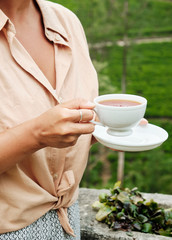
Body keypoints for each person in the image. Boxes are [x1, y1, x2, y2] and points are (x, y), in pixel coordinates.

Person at [0, 0, 98, 239]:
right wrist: (36, 134)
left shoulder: (66, 21)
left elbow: (63, 136)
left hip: (67, 225)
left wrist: (107, 127)